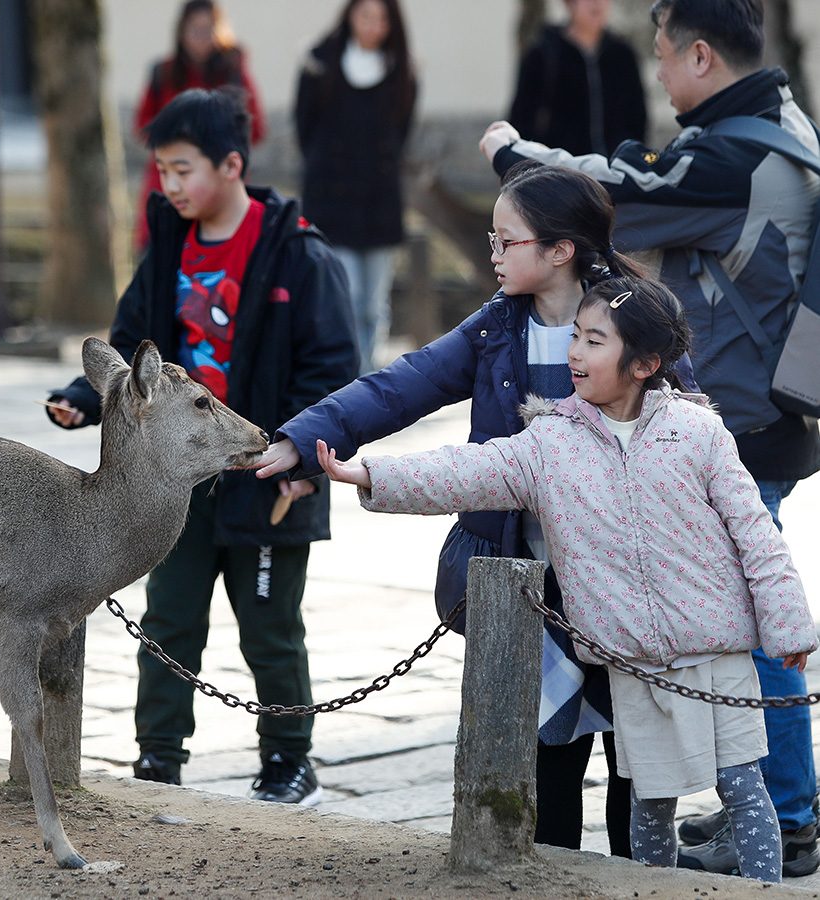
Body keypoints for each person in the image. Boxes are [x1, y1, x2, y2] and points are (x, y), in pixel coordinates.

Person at [254, 162, 700, 854]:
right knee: (548, 754)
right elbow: (402, 383)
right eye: (491, 240)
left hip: (627, 582)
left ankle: (641, 879)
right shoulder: (499, 327)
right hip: (530, 574)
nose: (492, 255)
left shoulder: (637, 318)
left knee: (635, 765)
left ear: (561, 250)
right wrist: (304, 436)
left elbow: (690, 432)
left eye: (506, 241)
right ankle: (551, 876)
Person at [316, 274, 817, 883]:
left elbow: (757, 536)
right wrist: (369, 474)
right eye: (575, 336)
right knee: (649, 800)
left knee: (742, 785)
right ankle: (651, 890)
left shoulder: (699, 432)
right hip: (630, 657)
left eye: (595, 341)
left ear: (644, 363)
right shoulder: (550, 441)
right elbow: (467, 469)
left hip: (718, 647)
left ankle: (761, 892)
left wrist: (787, 625)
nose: (574, 353)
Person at [479, 0, 820, 876]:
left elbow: (619, 202)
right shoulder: (778, 125)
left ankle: (789, 814)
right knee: (754, 605)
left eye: (663, 56)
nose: (660, 77)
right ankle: (783, 807)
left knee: (756, 618)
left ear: (702, 55)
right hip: (768, 404)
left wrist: (517, 161)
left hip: (742, 415)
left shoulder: (736, 155)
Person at [46, 87, 359, 803]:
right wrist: (85, 393)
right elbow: (129, 346)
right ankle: (159, 756)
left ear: (231, 164)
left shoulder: (297, 255)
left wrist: (302, 455)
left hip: (271, 477)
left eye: (183, 169)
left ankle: (288, 759)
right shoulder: (167, 247)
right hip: (172, 482)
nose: (170, 185)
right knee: (168, 619)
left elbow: (333, 369)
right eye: (161, 170)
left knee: (271, 629)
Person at [295, 0, 417, 373]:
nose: (373, 25)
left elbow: (400, 133)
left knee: (373, 305)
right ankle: (346, 379)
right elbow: (305, 128)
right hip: (331, 201)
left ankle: (367, 376)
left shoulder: (401, 71)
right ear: (350, 15)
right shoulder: (319, 65)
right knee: (347, 296)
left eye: (381, 18)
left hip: (379, 202)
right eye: (366, 15)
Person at [133, 0, 266, 253]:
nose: (201, 38)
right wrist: (179, 155)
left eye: (208, 30)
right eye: (194, 30)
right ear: (181, 31)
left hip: (220, 199)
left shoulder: (234, 71)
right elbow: (144, 126)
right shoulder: (165, 73)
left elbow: (255, 128)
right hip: (169, 206)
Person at [508, 0, 647, 156]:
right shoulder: (544, 54)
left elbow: (638, 118)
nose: (597, 4)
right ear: (569, 3)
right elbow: (522, 118)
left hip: (614, 171)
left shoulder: (623, 55)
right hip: (560, 172)